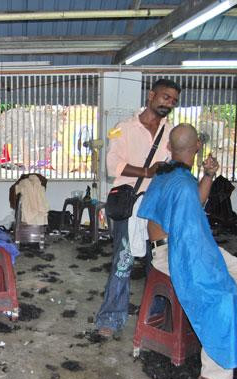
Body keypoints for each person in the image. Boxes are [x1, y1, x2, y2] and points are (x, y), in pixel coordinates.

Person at [139, 123, 237, 379]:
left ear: (169, 148)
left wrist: (208, 175)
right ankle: (213, 377)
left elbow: (194, 204)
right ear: (196, 149)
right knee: (221, 294)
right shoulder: (174, 179)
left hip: (194, 245)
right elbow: (185, 226)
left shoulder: (171, 173)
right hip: (174, 253)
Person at [94, 78, 181, 337]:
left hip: (158, 205)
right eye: (166, 97)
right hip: (129, 204)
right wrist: (147, 171)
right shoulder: (124, 128)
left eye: (174, 101)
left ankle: (154, 317)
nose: (170, 103)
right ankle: (110, 317)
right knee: (123, 261)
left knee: (158, 261)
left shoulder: (172, 133)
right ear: (151, 95)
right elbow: (112, 167)